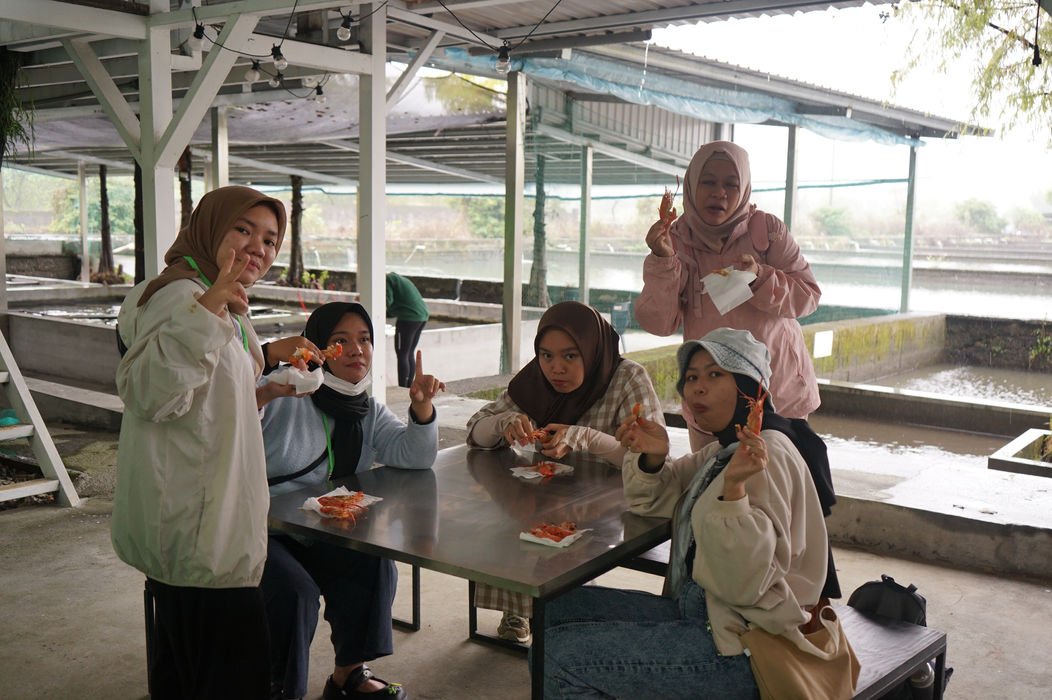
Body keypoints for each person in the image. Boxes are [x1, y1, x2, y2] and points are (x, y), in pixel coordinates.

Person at [541, 327, 838, 699]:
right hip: (704, 613)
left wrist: (734, 493)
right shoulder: (722, 451)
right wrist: (652, 456)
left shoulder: (767, 456)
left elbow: (746, 584)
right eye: (692, 377)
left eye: (715, 374)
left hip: (747, 644)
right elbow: (656, 502)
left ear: (752, 389)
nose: (697, 388)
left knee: (560, 657)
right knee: (553, 608)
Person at [112, 186, 311, 700]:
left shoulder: (218, 295)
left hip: (210, 526)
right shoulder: (180, 295)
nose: (258, 248)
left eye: (270, 239)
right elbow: (149, 394)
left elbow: (207, 398)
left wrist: (267, 382)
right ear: (209, 228)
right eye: (243, 229)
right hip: (196, 529)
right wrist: (210, 306)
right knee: (232, 677)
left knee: (187, 674)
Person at [260, 301, 445, 700]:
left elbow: (414, 456)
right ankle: (280, 689)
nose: (356, 350)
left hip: (323, 531)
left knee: (374, 560)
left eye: (364, 339)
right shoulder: (284, 390)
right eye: (340, 340)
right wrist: (268, 372)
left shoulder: (366, 409)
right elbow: (236, 406)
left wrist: (421, 407)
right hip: (266, 530)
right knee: (295, 593)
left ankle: (349, 675)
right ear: (317, 349)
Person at [466, 300, 664, 645]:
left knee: (570, 555)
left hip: (611, 504)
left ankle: (566, 615)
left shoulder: (626, 378)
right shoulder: (534, 381)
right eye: (546, 355)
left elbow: (650, 456)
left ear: (591, 349)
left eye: (570, 356)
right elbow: (475, 433)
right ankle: (519, 606)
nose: (556, 368)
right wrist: (503, 422)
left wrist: (586, 438)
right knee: (508, 516)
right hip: (545, 499)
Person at [634, 140, 821, 450]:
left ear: (743, 187)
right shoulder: (675, 241)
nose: (719, 192)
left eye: (731, 184)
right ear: (692, 185)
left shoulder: (768, 232)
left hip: (777, 395)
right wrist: (663, 261)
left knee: (778, 478)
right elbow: (659, 324)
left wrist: (760, 277)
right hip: (709, 401)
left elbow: (808, 297)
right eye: (708, 182)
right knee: (712, 479)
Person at [386, 271, 430, 388]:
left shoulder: (387, 280)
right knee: (409, 352)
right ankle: (408, 386)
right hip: (421, 316)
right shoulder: (398, 280)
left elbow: (387, 302)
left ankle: (402, 387)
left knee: (402, 353)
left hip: (409, 318)